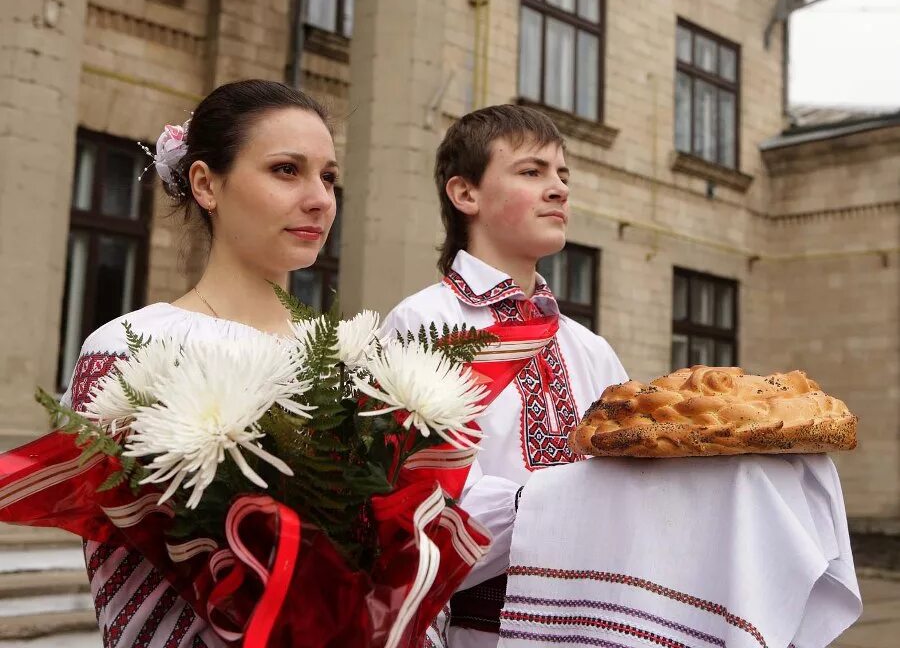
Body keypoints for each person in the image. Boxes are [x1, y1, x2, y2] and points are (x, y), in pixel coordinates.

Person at [61, 79, 338, 647]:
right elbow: (119, 548)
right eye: (287, 170)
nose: (320, 198)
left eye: (328, 176)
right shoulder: (132, 346)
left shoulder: (347, 356)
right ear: (207, 184)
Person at [382, 104, 629, 648]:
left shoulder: (590, 347)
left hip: (598, 625)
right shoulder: (422, 324)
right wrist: (563, 499)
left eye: (563, 174)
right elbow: (414, 503)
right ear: (465, 194)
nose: (559, 189)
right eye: (532, 171)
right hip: (480, 629)